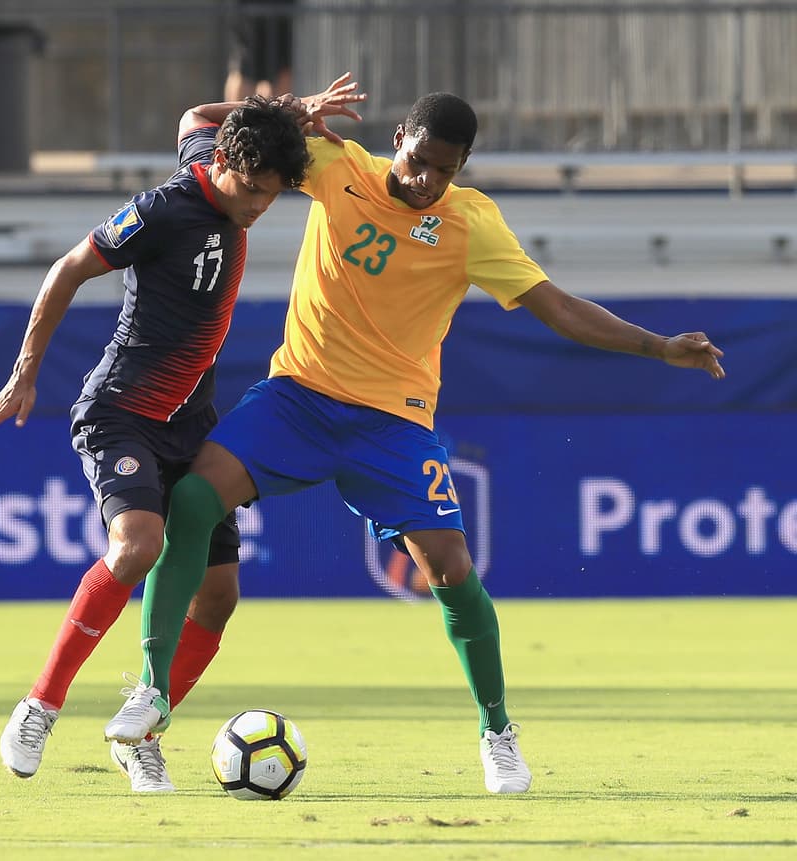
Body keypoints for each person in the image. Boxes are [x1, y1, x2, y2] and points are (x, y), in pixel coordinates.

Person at [104, 91, 727, 794]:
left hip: (393, 424)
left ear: (462, 167)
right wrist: (285, 106)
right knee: (191, 499)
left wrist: (657, 346)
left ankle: (497, 730)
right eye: (419, 159)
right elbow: (204, 125)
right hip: (297, 398)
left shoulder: (471, 224)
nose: (428, 179)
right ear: (397, 137)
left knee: (452, 567)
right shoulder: (334, 164)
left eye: (445, 169)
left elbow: (555, 306)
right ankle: (152, 691)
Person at [0, 78, 364, 793]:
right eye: (250, 188)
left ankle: (141, 733)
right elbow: (67, 269)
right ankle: (40, 705)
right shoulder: (163, 210)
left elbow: (193, 114)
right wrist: (24, 373)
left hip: (191, 424)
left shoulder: (219, 148)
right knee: (139, 545)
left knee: (217, 597)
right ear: (223, 164)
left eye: (271, 195)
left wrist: (289, 112)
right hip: (121, 411)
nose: (256, 205)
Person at [224, 0, 295, 102]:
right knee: (246, 69)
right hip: (249, 13)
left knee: (282, 68)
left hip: (282, 12)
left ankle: (276, 114)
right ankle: (236, 113)